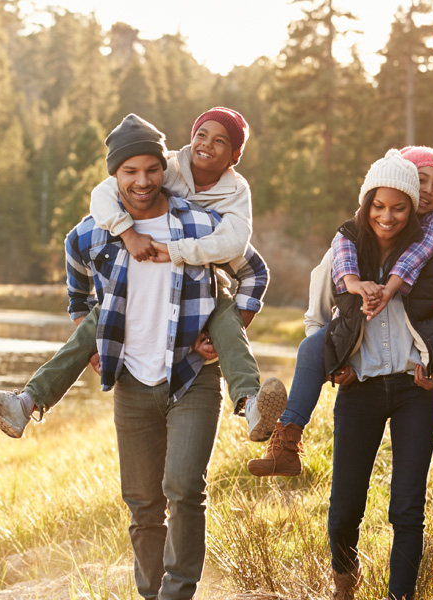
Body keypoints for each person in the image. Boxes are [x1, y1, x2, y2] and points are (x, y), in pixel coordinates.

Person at [26, 114, 269, 598]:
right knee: (141, 502)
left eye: (151, 170)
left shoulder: (200, 221)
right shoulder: (95, 230)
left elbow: (253, 270)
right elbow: (77, 284)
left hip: (191, 375)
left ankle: (177, 593)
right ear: (114, 176)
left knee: (183, 488)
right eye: (129, 172)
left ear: (165, 168)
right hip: (133, 380)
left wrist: (227, 329)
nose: (142, 181)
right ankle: (150, 592)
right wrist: (89, 337)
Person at [0, 107, 285, 443]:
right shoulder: (165, 168)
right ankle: (24, 404)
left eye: (220, 140)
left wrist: (221, 330)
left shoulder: (234, 195)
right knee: (99, 319)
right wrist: (127, 233)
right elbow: (103, 194)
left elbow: (240, 247)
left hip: (205, 286)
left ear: (235, 156)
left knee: (225, 316)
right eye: (201, 135)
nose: (206, 144)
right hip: (137, 287)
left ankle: (251, 404)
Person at [281, 150, 433, 600]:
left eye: (398, 207)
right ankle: (344, 580)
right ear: (366, 204)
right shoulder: (341, 257)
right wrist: (339, 367)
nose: (388, 216)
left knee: (408, 508)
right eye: (378, 206)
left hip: (416, 393)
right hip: (361, 391)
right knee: (344, 509)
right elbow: (316, 323)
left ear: (413, 208)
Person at [247, 145, 433, 478]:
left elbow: (419, 259)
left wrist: (389, 289)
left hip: (426, 336)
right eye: (422, 181)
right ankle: (287, 441)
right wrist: (337, 359)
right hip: (357, 352)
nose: (429, 192)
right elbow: (325, 295)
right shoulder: (350, 237)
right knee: (310, 348)